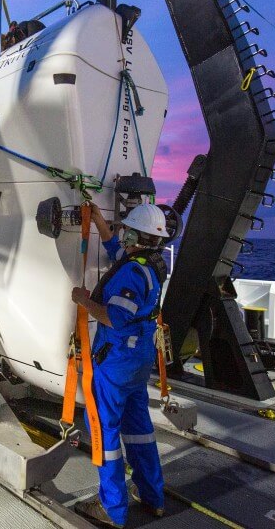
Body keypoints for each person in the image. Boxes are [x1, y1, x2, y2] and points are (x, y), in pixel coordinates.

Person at [70, 202, 169, 528]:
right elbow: (117, 250)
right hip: (138, 359)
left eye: (125, 228)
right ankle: (153, 497)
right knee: (139, 429)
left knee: (106, 431)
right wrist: (98, 219)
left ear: (135, 234)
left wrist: (84, 300)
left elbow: (114, 316)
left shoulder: (130, 272)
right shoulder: (151, 263)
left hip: (115, 363)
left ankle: (112, 510)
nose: (121, 233)